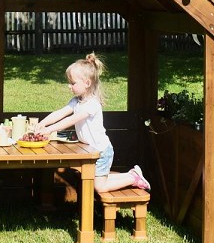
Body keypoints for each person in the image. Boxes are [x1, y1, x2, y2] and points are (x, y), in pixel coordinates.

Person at [35, 52, 150, 193]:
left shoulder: (92, 104)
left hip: (101, 152)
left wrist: (49, 130)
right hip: (90, 151)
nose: (69, 86)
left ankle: (132, 178)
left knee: (99, 187)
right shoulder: (77, 101)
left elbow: (70, 119)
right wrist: (43, 123)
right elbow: (60, 113)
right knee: (94, 181)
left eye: (72, 83)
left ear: (87, 83)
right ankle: (132, 175)